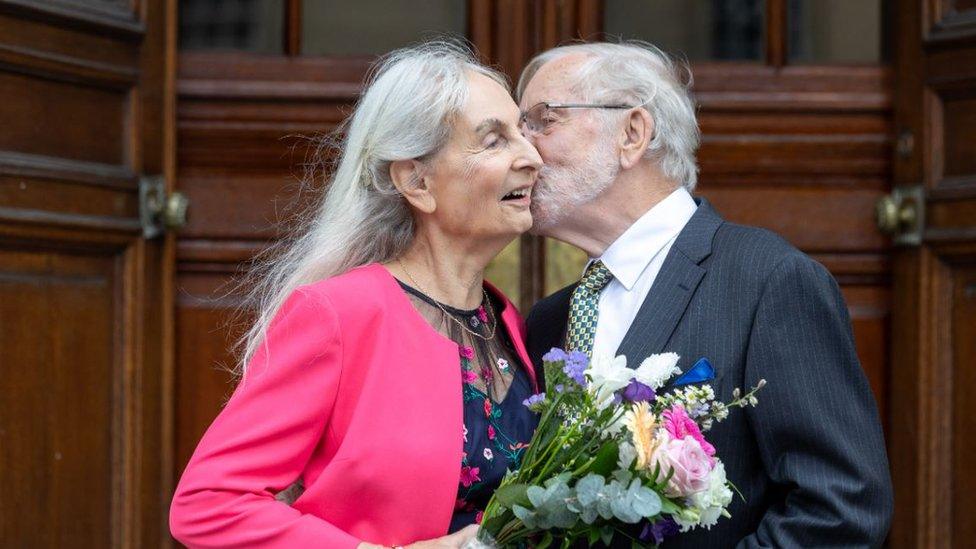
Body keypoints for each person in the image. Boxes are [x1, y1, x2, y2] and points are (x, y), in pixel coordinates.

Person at [518, 41, 893, 547]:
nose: (522, 150)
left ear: (632, 133)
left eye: (542, 121)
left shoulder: (769, 281)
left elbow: (841, 508)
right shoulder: (550, 319)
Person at [169, 42, 543, 549]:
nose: (532, 157)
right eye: (495, 140)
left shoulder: (507, 323)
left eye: (522, 131)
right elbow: (208, 503)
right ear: (417, 180)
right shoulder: (339, 315)